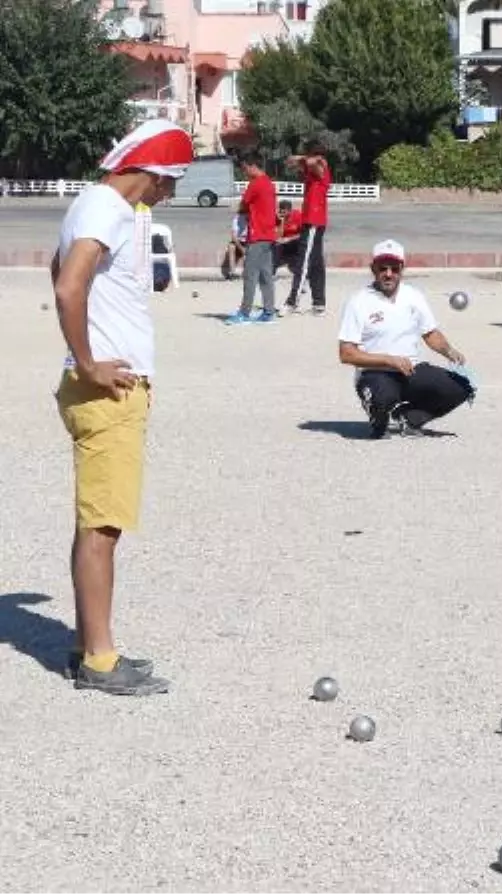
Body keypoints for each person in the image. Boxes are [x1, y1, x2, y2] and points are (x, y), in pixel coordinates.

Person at [50, 119, 193, 695]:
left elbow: (58, 271)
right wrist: (88, 361)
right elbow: (67, 287)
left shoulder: (100, 206)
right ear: (155, 172)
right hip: (107, 391)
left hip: (104, 385)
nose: (172, 194)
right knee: (103, 526)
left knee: (95, 522)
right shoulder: (108, 207)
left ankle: (92, 643)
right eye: (172, 182)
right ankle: (100, 662)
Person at [338, 240, 474, 439]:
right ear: (373, 269)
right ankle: (378, 415)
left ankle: (410, 419)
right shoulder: (358, 301)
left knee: (462, 387)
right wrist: (388, 359)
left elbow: (430, 333)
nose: (389, 274)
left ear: (402, 268)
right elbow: (346, 353)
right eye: (382, 268)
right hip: (376, 373)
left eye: (394, 268)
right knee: (380, 417)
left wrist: (448, 350)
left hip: (411, 370)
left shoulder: (413, 296)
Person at [225, 152, 277, 325]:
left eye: (245, 168)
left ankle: (244, 313)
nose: (244, 172)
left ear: (251, 165)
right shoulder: (268, 183)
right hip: (268, 235)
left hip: (257, 235)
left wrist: (239, 212)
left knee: (250, 275)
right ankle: (268, 312)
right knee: (265, 275)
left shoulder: (255, 184)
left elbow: (243, 205)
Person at [284, 138, 332, 315]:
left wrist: (311, 158)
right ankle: (319, 303)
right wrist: (303, 158)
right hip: (313, 220)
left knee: (303, 261)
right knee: (316, 262)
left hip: (313, 220)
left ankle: (292, 301)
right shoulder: (312, 164)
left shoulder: (321, 165)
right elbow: (290, 161)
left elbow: (312, 163)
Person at [274, 199, 303, 275]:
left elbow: (303, 234)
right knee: (277, 245)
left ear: (290, 211)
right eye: (281, 211)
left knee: (299, 243)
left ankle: (298, 267)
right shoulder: (278, 218)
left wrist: (289, 239)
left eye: (284, 212)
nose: (282, 213)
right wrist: (282, 221)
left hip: (295, 240)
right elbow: (278, 236)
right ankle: (273, 269)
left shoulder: (297, 215)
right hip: (283, 242)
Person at [221, 212, 247, 280]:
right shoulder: (237, 219)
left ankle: (247, 273)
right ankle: (232, 273)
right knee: (231, 247)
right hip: (239, 242)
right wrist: (242, 249)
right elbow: (234, 237)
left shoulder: (255, 218)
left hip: (249, 242)